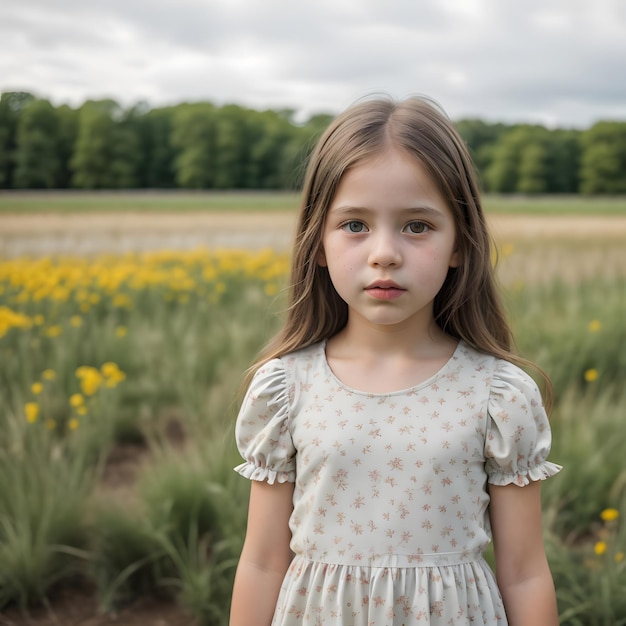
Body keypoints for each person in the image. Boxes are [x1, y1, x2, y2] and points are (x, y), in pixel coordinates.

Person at [229, 95, 561, 625]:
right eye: (355, 225)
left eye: (417, 226)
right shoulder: (285, 389)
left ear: (460, 243)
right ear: (317, 242)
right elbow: (264, 563)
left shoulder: (499, 394)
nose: (384, 252)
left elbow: (523, 571)